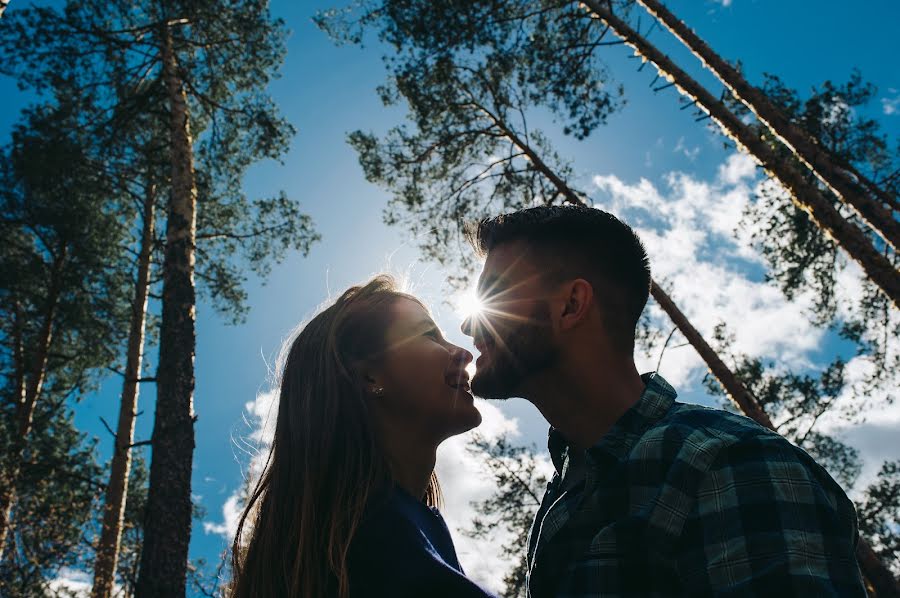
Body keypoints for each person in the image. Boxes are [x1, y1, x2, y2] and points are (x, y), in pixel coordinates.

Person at [460, 205, 867, 596]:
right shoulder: (561, 497)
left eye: (495, 294)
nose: (466, 323)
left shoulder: (731, 462)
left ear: (570, 305)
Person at [229, 276, 496, 598]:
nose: (462, 353)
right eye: (429, 335)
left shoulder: (364, 540)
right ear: (370, 376)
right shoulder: (381, 549)